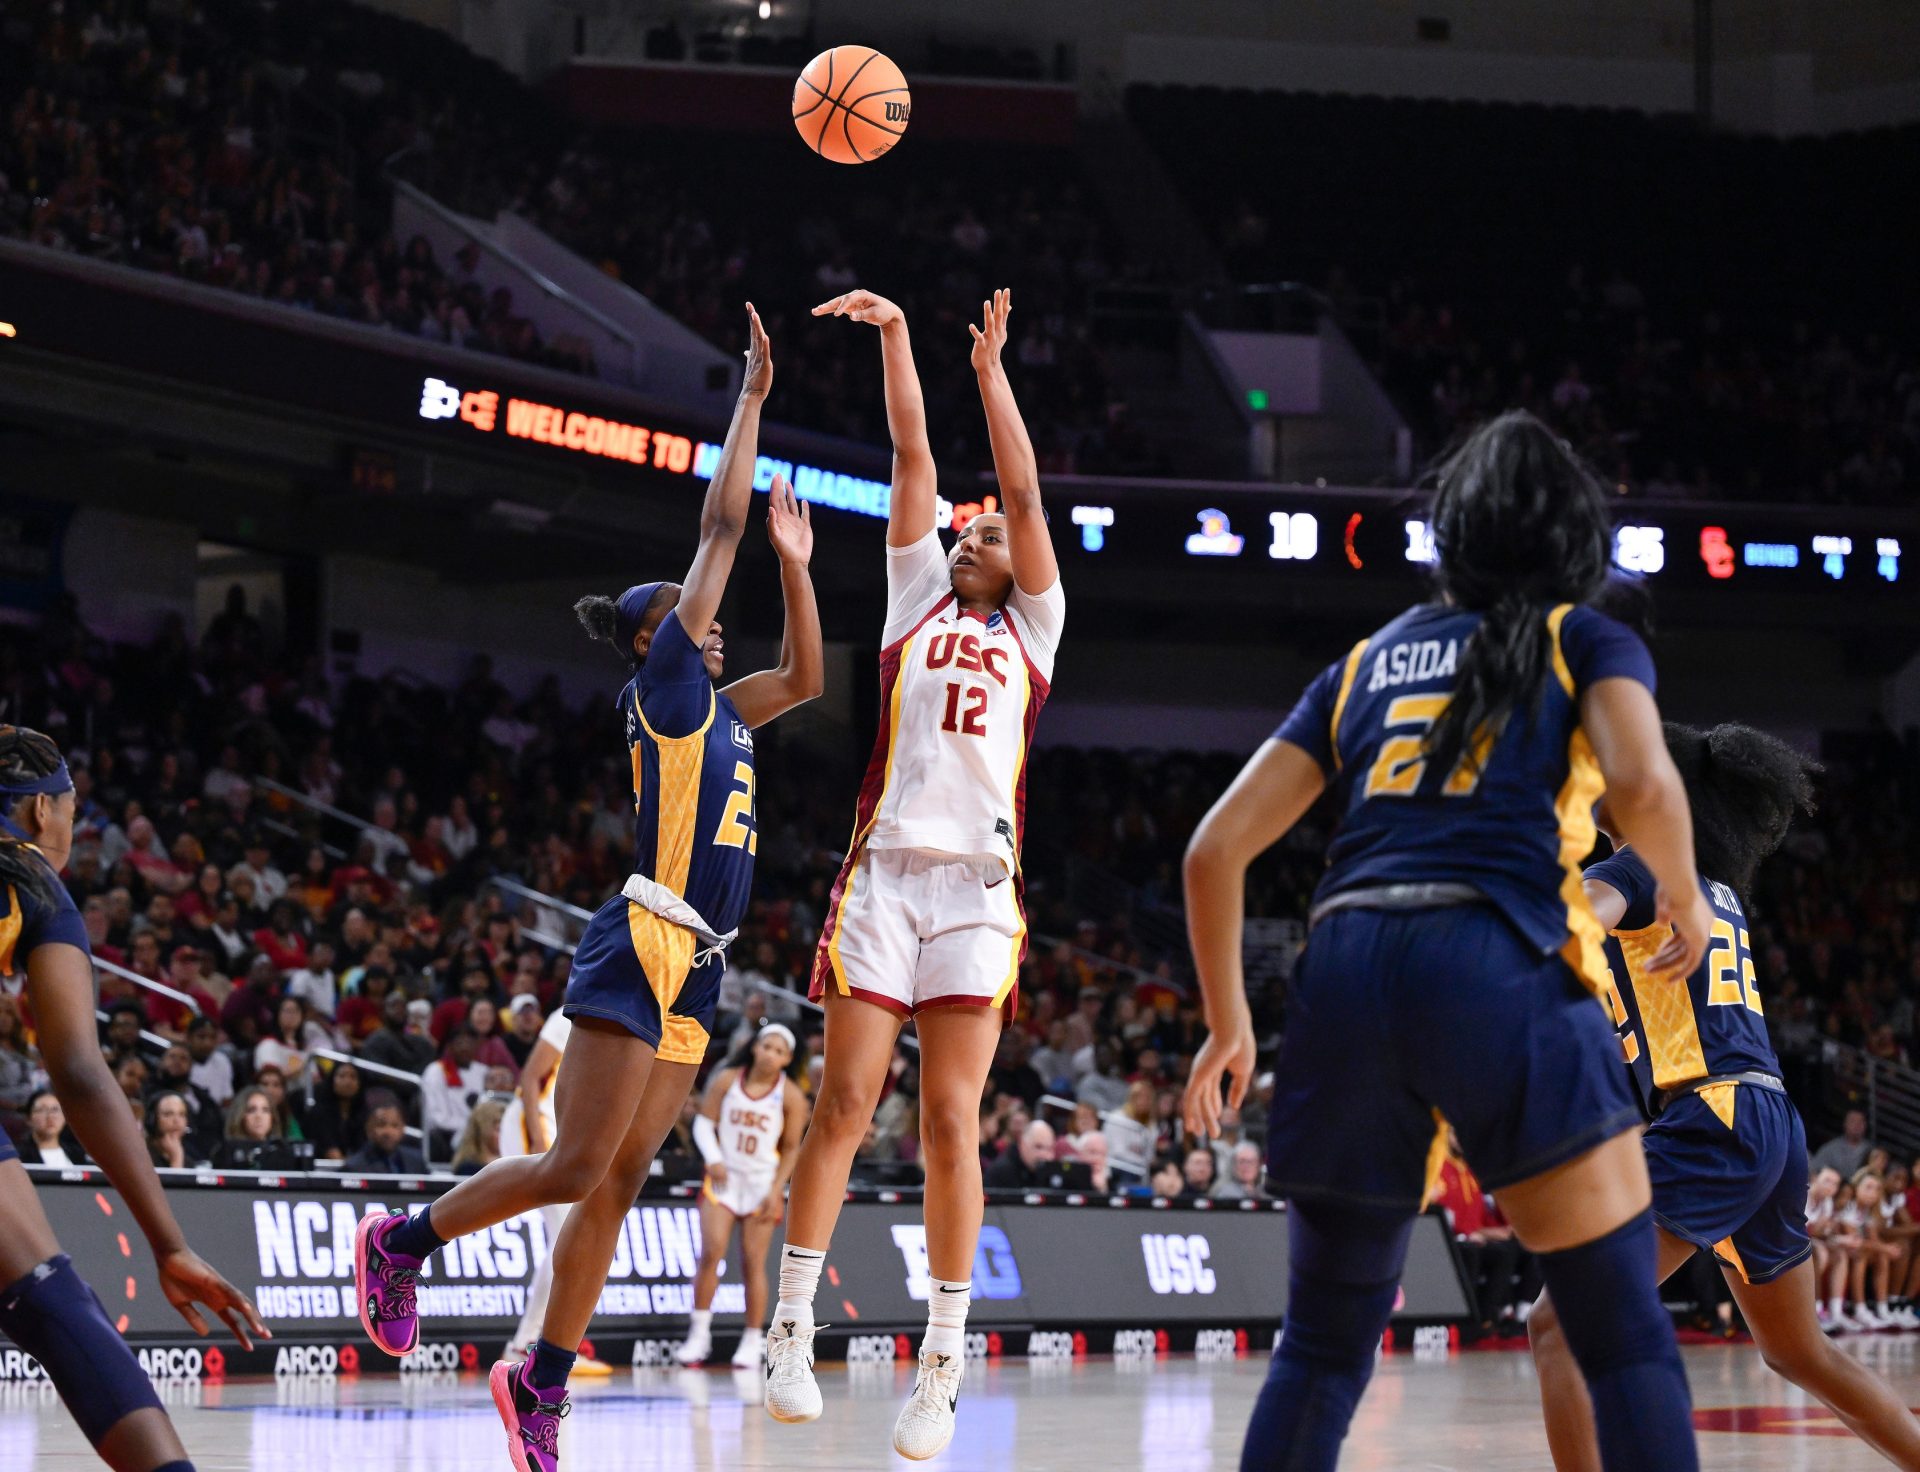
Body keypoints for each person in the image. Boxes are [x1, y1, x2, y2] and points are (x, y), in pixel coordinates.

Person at [1179, 413, 1708, 1472]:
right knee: (1625, 1341)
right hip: (1496, 956)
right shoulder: (1583, 635)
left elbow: (1212, 849)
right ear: (1572, 534)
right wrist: (1682, 892)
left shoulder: (1367, 658)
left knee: (1322, 1350)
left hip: (1348, 963)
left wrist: (1228, 1021)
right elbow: (1646, 784)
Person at [350, 308, 824, 1472]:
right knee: (573, 1165)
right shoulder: (666, 689)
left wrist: (799, 570)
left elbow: (808, 677)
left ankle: (538, 1376)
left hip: (701, 961)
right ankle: (401, 1238)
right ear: (658, 636)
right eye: (690, 614)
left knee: (615, 1181)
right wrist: (752, 398)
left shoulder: (725, 707)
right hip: (645, 937)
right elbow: (718, 520)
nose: (710, 630)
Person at [766, 288, 1065, 1461]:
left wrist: (991, 372)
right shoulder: (907, 601)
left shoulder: (1031, 628)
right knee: (843, 1106)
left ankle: (942, 1360)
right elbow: (909, 451)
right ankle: (787, 1324)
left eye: (982, 534)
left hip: (978, 895)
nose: (970, 534)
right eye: (964, 528)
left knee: (950, 1122)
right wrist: (897, 339)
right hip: (884, 878)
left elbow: (1026, 492)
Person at [1528, 722, 1920, 1467]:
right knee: (1800, 1353)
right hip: (1762, 1116)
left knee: (1559, 1328)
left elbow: (1577, 919)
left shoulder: (1639, 868)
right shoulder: (1704, 884)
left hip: (1712, 1117)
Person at [0, 724, 266, 1472]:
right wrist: (168, 1242)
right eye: (72, 813)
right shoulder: (27, 875)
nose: (71, 831)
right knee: (50, 1298)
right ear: (38, 812)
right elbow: (79, 1071)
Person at [675, 1023, 809, 1369]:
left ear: (787, 1059)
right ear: (755, 1047)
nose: (771, 1054)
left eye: (779, 1051)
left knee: (753, 1262)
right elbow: (704, 1123)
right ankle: (698, 1335)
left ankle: (752, 1340)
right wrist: (714, 1159)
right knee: (711, 1253)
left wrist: (777, 1189)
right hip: (724, 1179)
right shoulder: (727, 1079)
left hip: (761, 1184)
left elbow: (792, 1148)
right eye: (767, 1046)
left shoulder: (791, 1096)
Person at [495, 1006, 612, 1376]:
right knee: (566, 1235)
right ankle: (528, 1344)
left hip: (567, 1132)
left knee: (569, 1236)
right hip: (536, 1123)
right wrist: (539, 1142)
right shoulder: (570, 1014)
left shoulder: (624, 1025)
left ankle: (545, 1344)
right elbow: (530, 1078)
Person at [343, 1098, 429, 1175]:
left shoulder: (417, 1161)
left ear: (403, 1129)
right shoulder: (354, 1167)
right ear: (369, 1129)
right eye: (381, 1125)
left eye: (395, 1125)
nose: (388, 1132)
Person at [16, 1088, 85, 1166]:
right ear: (28, 1118)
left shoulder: (77, 1154)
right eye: (41, 1110)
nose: (50, 1116)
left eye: (55, 1109)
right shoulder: (17, 1156)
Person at [1812, 1109, 1873, 1180]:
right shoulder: (1831, 1148)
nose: (1857, 1125)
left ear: (1865, 1125)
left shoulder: (1872, 1150)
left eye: (1860, 1121)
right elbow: (1814, 1171)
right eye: (1852, 1121)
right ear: (1845, 1124)